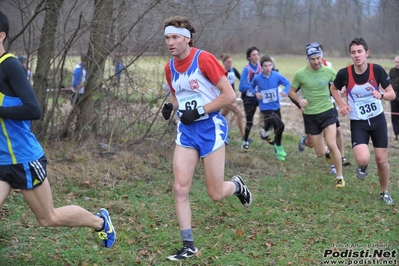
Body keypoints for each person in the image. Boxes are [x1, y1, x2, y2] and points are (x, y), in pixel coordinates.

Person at [0, 10, 115, 248]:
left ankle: (100, 222)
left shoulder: (10, 66)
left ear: (1, 36)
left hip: (23, 159)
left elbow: (34, 110)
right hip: (1, 160)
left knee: (48, 218)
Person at [161, 16, 252, 261]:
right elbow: (175, 94)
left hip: (210, 129)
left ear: (187, 39)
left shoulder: (204, 59)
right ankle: (188, 244)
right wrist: (170, 107)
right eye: (168, 38)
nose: (170, 42)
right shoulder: (169, 68)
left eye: (175, 37)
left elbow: (229, 95)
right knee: (180, 188)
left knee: (215, 193)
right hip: (187, 132)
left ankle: (236, 186)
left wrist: (200, 111)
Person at [330, 37, 395, 204]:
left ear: (367, 53)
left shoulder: (377, 70)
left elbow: (392, 94)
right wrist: (341, 103)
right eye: (353, 52)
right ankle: (363, 166)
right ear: (350, 55)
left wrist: (380, 95)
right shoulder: (345, 73)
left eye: (359, 51)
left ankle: (384, 191)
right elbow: (333, 88)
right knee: (362, 159)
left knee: (381, 161)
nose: (357, 55)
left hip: (378, 120)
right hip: (358, 122)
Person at [288, 42, 345, 188]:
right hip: (311, 115)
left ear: (322, 56)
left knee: (332, 144)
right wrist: (299, 101)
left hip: (327, 111)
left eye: (318, 58)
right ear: (308, 59)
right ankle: (325, 152)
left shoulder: (329, 71)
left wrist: (342, 93)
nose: (316, 61)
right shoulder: (300, 74)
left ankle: (340, 176)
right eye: (313, 59)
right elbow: (291, 92)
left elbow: (339, 86)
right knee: (319, 153)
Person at [250, 55, 290, 161]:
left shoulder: (276, 76)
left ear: (272, 66)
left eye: (269, 65)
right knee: (281, 125)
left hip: (276, 106)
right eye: (265, 66)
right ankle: (279, 146)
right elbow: (251, 86)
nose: (268, 68)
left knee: (278, 128)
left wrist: (285, 92)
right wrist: (255, 93)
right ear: (261, 67)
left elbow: (287, 83)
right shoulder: (258, 78)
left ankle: (277, 149)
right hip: (265, 107)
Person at [239, 46, 262, 152]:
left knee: (271, 114)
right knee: (250, 121)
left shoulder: (260, 68)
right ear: (249, 57)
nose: (256, 57)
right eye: (254, 55)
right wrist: (251, 86)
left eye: (257, 54)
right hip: (249, 98)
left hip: (259, 96)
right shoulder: (246, 69)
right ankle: (245, 141)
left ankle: (265, 132)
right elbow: (241, 87)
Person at [219, 53, 245, 138]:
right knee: (239, 114)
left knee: (221, 116)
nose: (230, 64)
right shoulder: (220, 71)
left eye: (231, 62)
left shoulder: (233, 70)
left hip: (232, 97)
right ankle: (244, 137)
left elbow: (242, 79)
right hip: (225, 98)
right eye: (228, 62)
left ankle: (218, 131)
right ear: (224, 63)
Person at [388, 55, 399, 140]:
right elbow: (388, 82)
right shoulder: (391, 71)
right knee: (394, 116)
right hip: (394, 98)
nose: (397, 64)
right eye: (396, 62)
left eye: (398, 62)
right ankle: (396, 134)